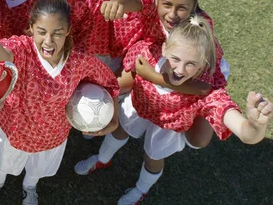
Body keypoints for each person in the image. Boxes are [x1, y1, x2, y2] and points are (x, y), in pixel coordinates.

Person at [73, 16, 271, 205]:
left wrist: (255, 125)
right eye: (176, 58)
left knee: (153, 157)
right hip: (139, 109)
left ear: (204, 64)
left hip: (167, 128)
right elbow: (120, 80)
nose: (180, 70)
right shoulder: (146, 55)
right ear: (165, 48)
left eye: (191, 64)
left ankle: (141, 189)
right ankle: (102, 159)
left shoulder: (207, 94)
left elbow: (247, 135)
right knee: (119, 129)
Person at [0, 0, 119, 205]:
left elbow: (110, 83)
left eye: (58, 33)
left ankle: (29, 188)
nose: (49, 41)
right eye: (41, 32)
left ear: (68, 30)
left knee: (36, 170)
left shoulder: (79, 62)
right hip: (16, 130)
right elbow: (3, 57)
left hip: (52, 136)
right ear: (32, 27)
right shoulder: (23, 48)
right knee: (2, 164)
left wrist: (113, 120)